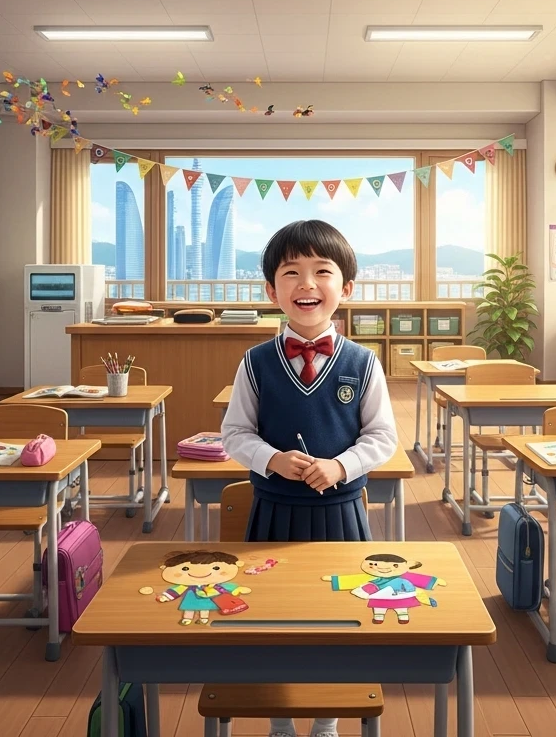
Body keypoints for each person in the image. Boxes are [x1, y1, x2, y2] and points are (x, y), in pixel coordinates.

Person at [221, 219, 398, 737]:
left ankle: (326, 721)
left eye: (322, 271)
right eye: (291, 272)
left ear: (345, 289)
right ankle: (279, 723)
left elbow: (382, 437)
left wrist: (341, 466)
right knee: (271, 618)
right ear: (271, 290)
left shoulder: (364, 362)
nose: (306, 284)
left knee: (341, 615)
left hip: (341, 514)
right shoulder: (254, 363)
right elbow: (234, 434)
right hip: (273, 511)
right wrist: (272, 459)